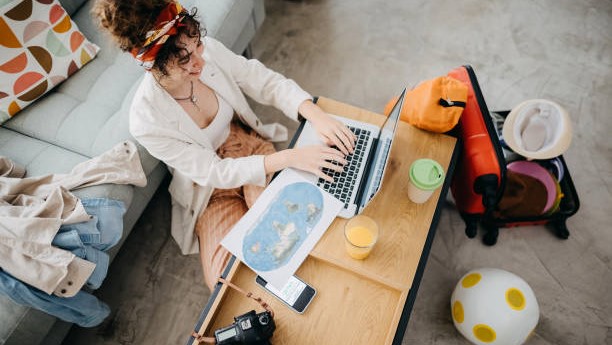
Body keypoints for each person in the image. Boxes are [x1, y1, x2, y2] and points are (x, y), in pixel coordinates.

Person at [93, 0, 355, 289]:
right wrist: (290, 158)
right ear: (153, 67)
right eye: (185, 61)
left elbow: (264, 81)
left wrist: (316, 114)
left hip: (250, 147)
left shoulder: (210, 53)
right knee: (227, 283)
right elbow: (214, 172)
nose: (199, 63)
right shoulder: (145, 120)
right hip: (210, 190)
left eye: (198, 46)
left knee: (294, 239)